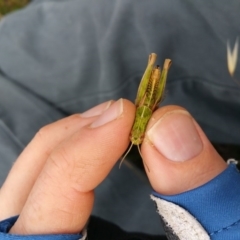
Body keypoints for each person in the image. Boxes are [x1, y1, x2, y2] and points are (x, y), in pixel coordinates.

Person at [0, 0, 240, 239]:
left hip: (147, 98)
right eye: (135, 138)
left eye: (135, 137)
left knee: (15, 43)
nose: (135, 138)